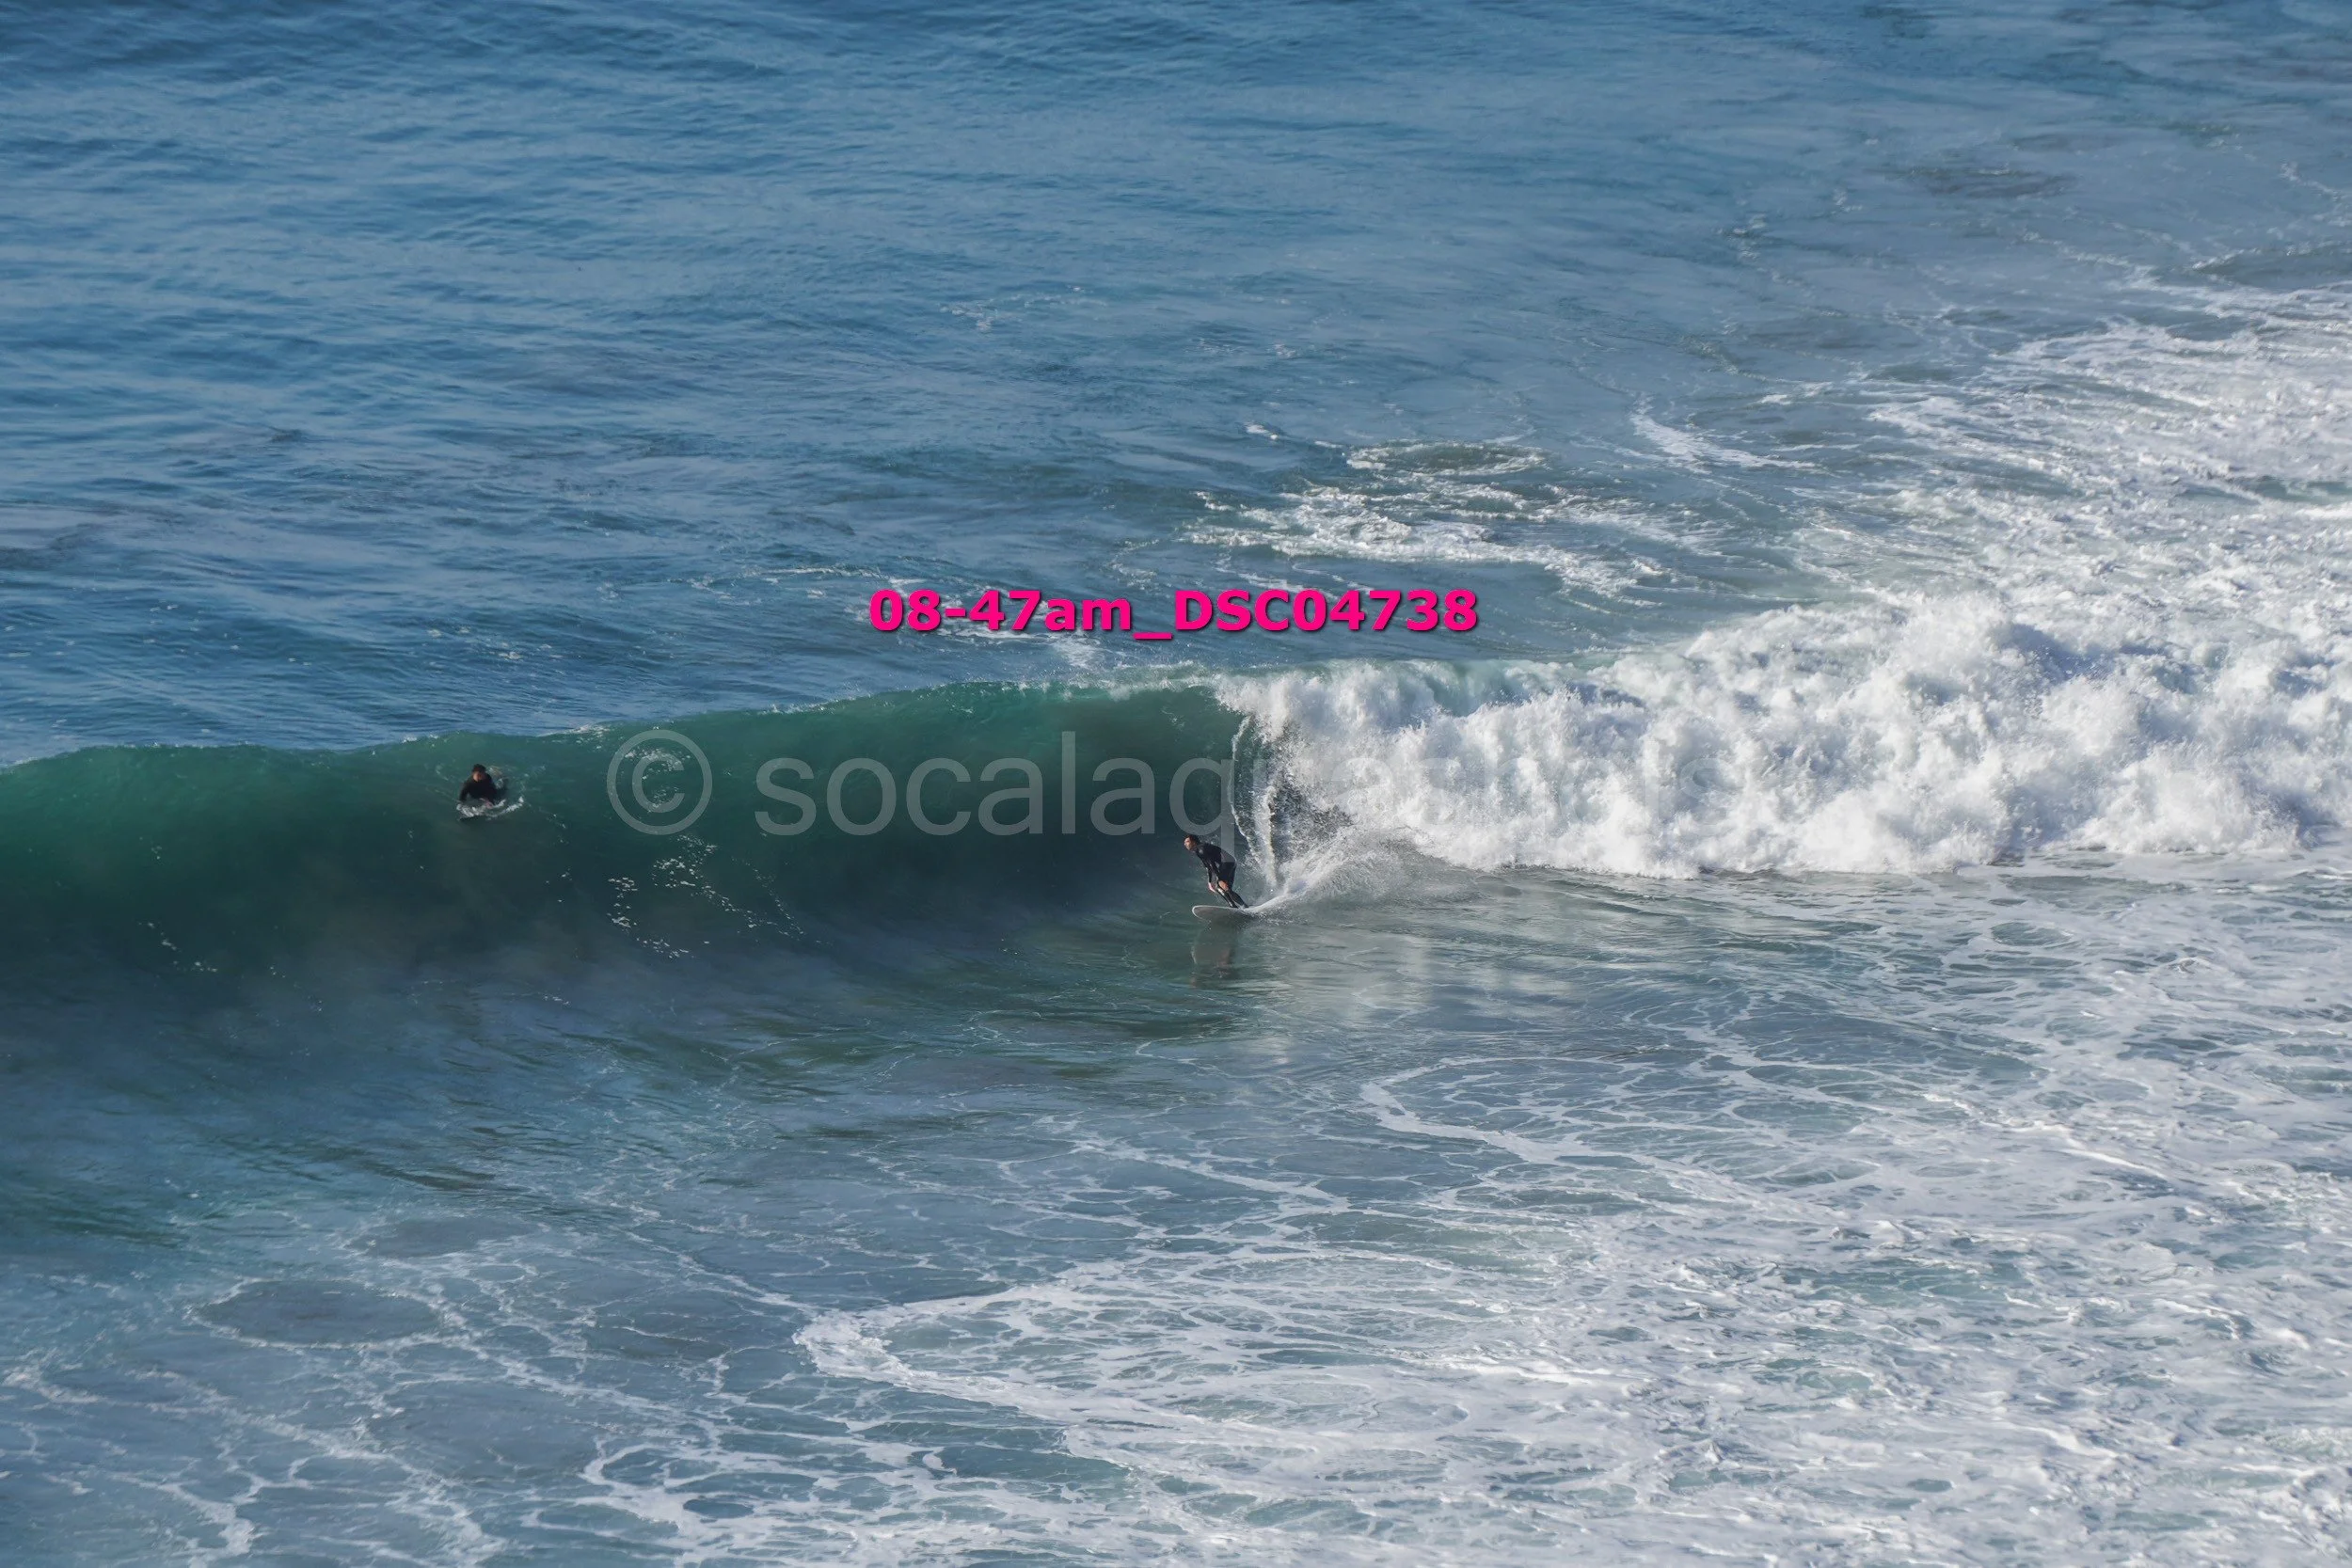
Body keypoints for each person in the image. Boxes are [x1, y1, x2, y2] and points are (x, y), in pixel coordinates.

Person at [1183, 833, 1245, 908]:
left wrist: (1220, 880)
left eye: (1187, 841)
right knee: (1227, 889)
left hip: (1226, 863)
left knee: (1219, 887)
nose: (1185, 844)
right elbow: (1208, 867)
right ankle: (1244, 905)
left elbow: (1212, 864)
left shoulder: (1201, 850)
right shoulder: (1200, 849)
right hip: (1231, 862)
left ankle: (1233, 906)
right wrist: (1210, 882)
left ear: (1193, 842)